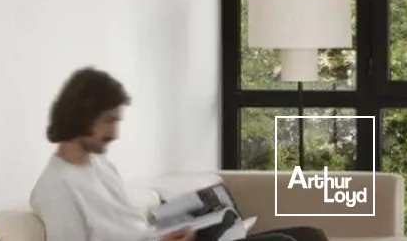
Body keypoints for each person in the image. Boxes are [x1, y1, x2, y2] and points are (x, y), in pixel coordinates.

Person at [30, 67, 330, 241]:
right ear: (81, 114)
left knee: (309, 235)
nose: (115, 133)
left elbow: (132, 231)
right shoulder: (55, 188)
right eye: (108, 120)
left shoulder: (100, 165)